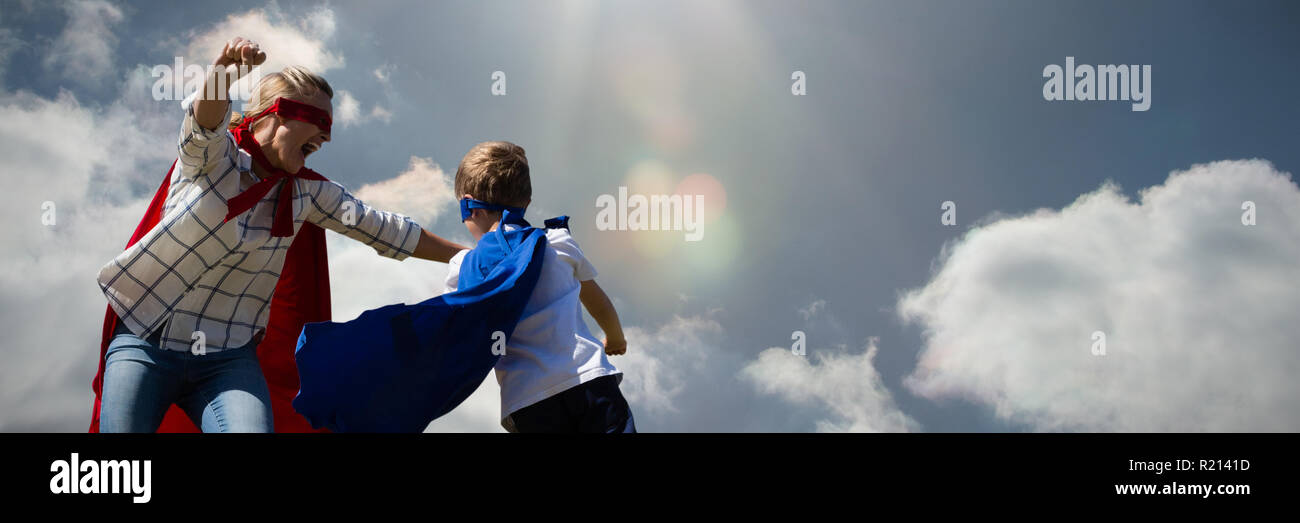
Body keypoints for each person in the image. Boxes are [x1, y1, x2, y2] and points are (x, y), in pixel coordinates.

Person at [91, 37, 466, 433]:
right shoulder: (212, 161)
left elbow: (388, 230)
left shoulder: (310, 193)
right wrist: (222, 71)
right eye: (318, 121)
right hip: (146, 342)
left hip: (226, 361)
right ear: (275, 112)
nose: (326, 137)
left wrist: (470, 257)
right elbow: (203, 126)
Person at [445, 141, 636, 433]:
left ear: (471, 207)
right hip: (587, 379)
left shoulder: (463, 270)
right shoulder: (557, 243)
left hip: (528, 401)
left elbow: (457, 335)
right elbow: (599, 302)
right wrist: (615, 337)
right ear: (526, 203)